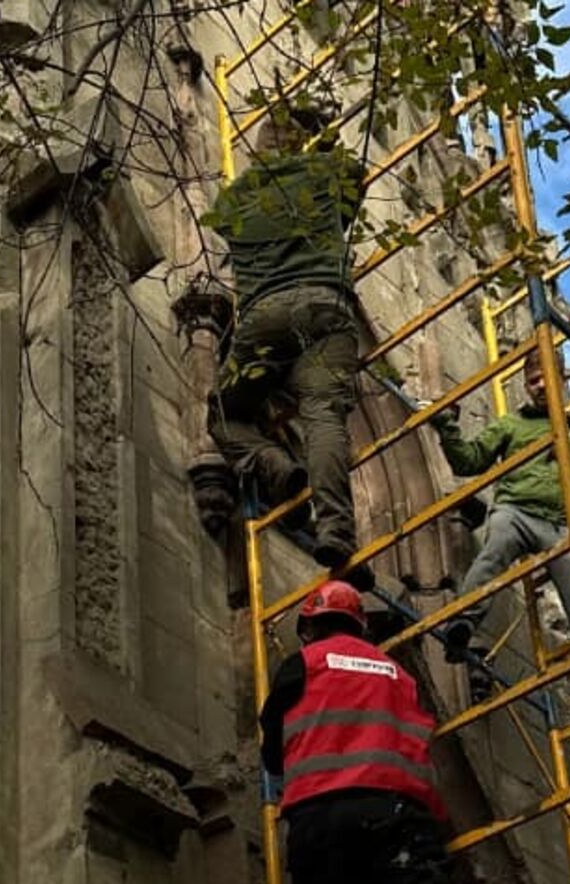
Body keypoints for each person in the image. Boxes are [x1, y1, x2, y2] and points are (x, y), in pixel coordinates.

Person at [260, 580, 540, 884]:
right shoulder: (396, 672)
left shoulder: (302, 664)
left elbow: (272, 751)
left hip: (322, 816)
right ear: (359, 625)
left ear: (309, 627)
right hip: (399, 814)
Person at [428, 349, 570, 698]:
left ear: (564, 381)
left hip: (559, 524)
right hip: (516, 510)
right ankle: (462, 622)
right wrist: (446, 426)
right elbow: (469, 462)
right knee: (493, 554)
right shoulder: (513, 424)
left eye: (545, 379)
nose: (539, 387)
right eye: (532, 381)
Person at [201, 103, 372, 585]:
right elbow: (357, 180)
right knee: (324, 417)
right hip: (323, 308)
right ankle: (337, 530)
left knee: (223, 413)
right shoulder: (325, 174)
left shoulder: (237, 198)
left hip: (264, 319)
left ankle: (277, 467)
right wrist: (328, 142)